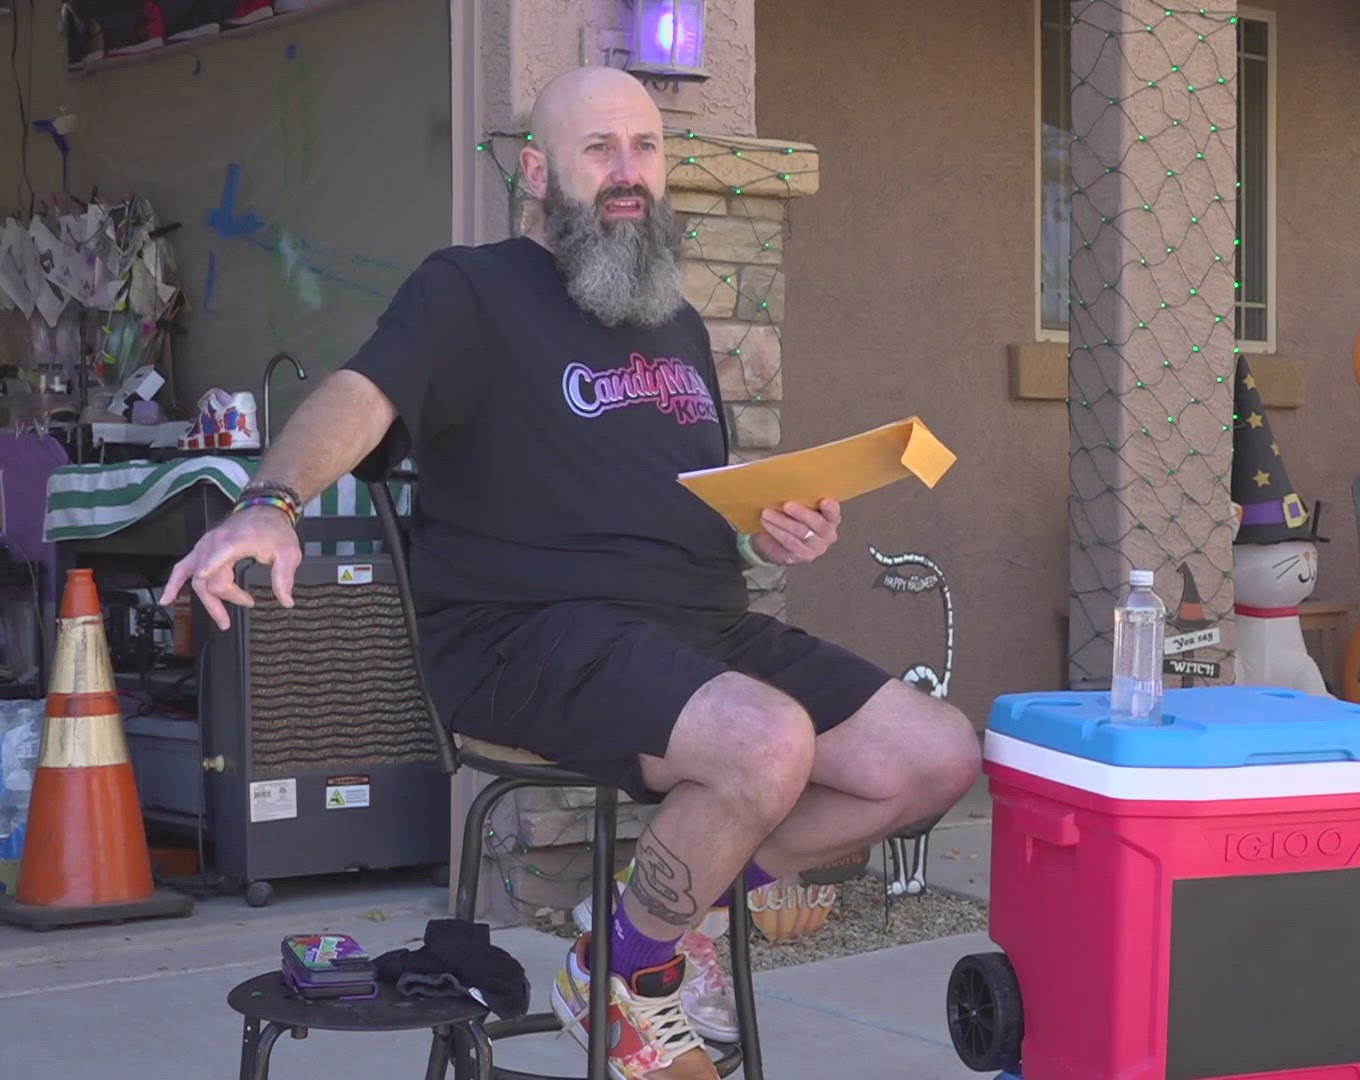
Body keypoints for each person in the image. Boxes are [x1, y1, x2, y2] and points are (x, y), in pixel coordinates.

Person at [159, 65, 981, 1080]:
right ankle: (628, 983)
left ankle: (645, 933)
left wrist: (772, 528)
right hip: (524, 632)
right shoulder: (466, 288)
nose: (629, 173)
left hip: (694, 629)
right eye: (601, 151)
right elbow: (357, 398)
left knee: (936, 754)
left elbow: (680, 494)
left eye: (646, 147)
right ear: (542, 170)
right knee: (768, 742)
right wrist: (270, 502)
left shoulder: (673, 320)